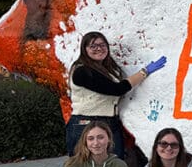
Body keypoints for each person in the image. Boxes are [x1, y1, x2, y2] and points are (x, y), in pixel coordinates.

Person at [66, 31, 167, 159]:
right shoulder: (81, 71)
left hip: (110, 122)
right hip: (87, 124)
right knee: (87, 166)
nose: (99, 49)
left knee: (115, 164)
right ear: (84, 49)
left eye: (102, 45)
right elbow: (116, 89)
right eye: (93, 46)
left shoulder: (107, 69)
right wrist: (144, 72)